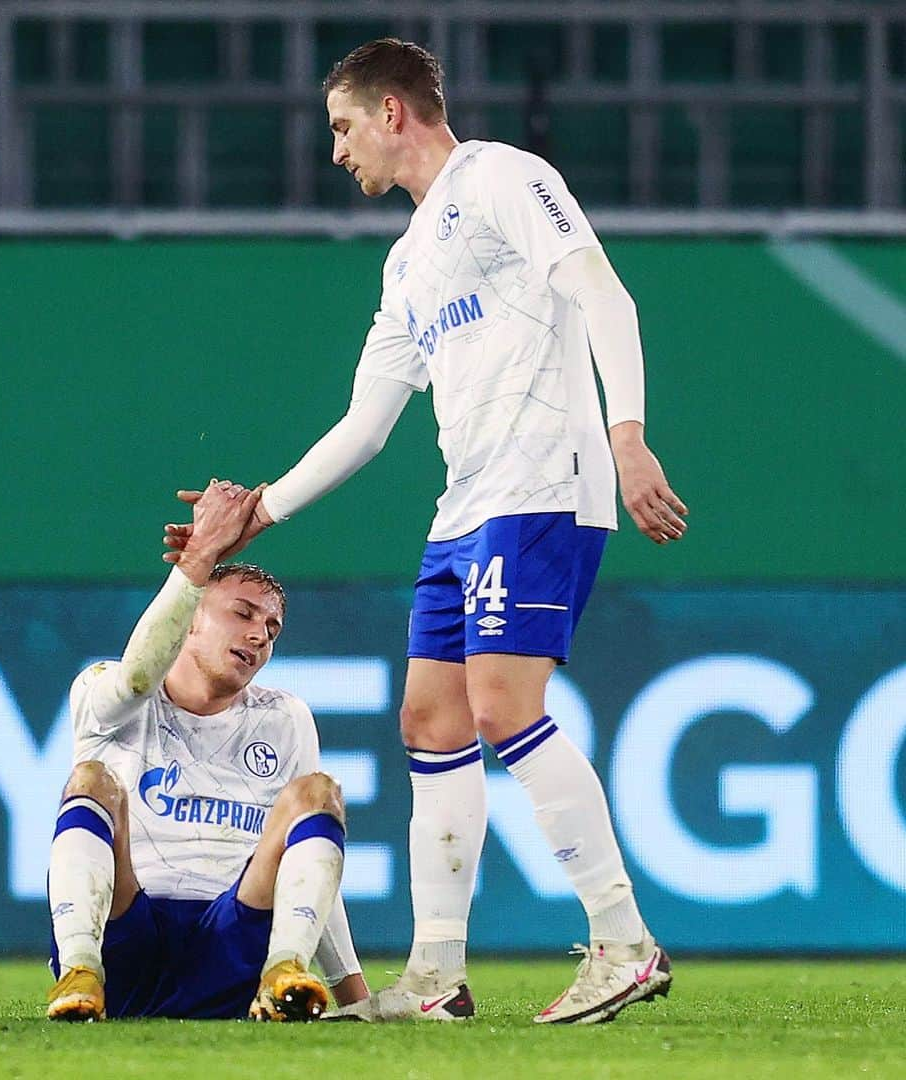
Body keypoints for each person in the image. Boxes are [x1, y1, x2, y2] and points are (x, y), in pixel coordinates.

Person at [167, 39, 687, 1025]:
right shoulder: (407, 264)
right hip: (466, 510)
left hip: (542, 488)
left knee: (500, 709)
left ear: (392, 112)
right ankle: (438, 978)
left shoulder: (501, 177)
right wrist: (257, 510)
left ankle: (624, 942)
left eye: (342, 127)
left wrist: (628, 439)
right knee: (431, 725)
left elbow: (601, 291)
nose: (335, 152)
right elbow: (365, 426)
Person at [46, 479, 368, 1022]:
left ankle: (286, 971)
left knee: (317, 795)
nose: (260, 635)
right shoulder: (107, 692)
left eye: (272, 627)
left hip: (235, 950)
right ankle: (79, 971)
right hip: (127, 942)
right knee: (91, 781)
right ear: (190, 619)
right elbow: (140, 676)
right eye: (242, 614)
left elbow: (310, 866)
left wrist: (355, 994)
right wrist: (199, 558)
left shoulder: (284, 717)